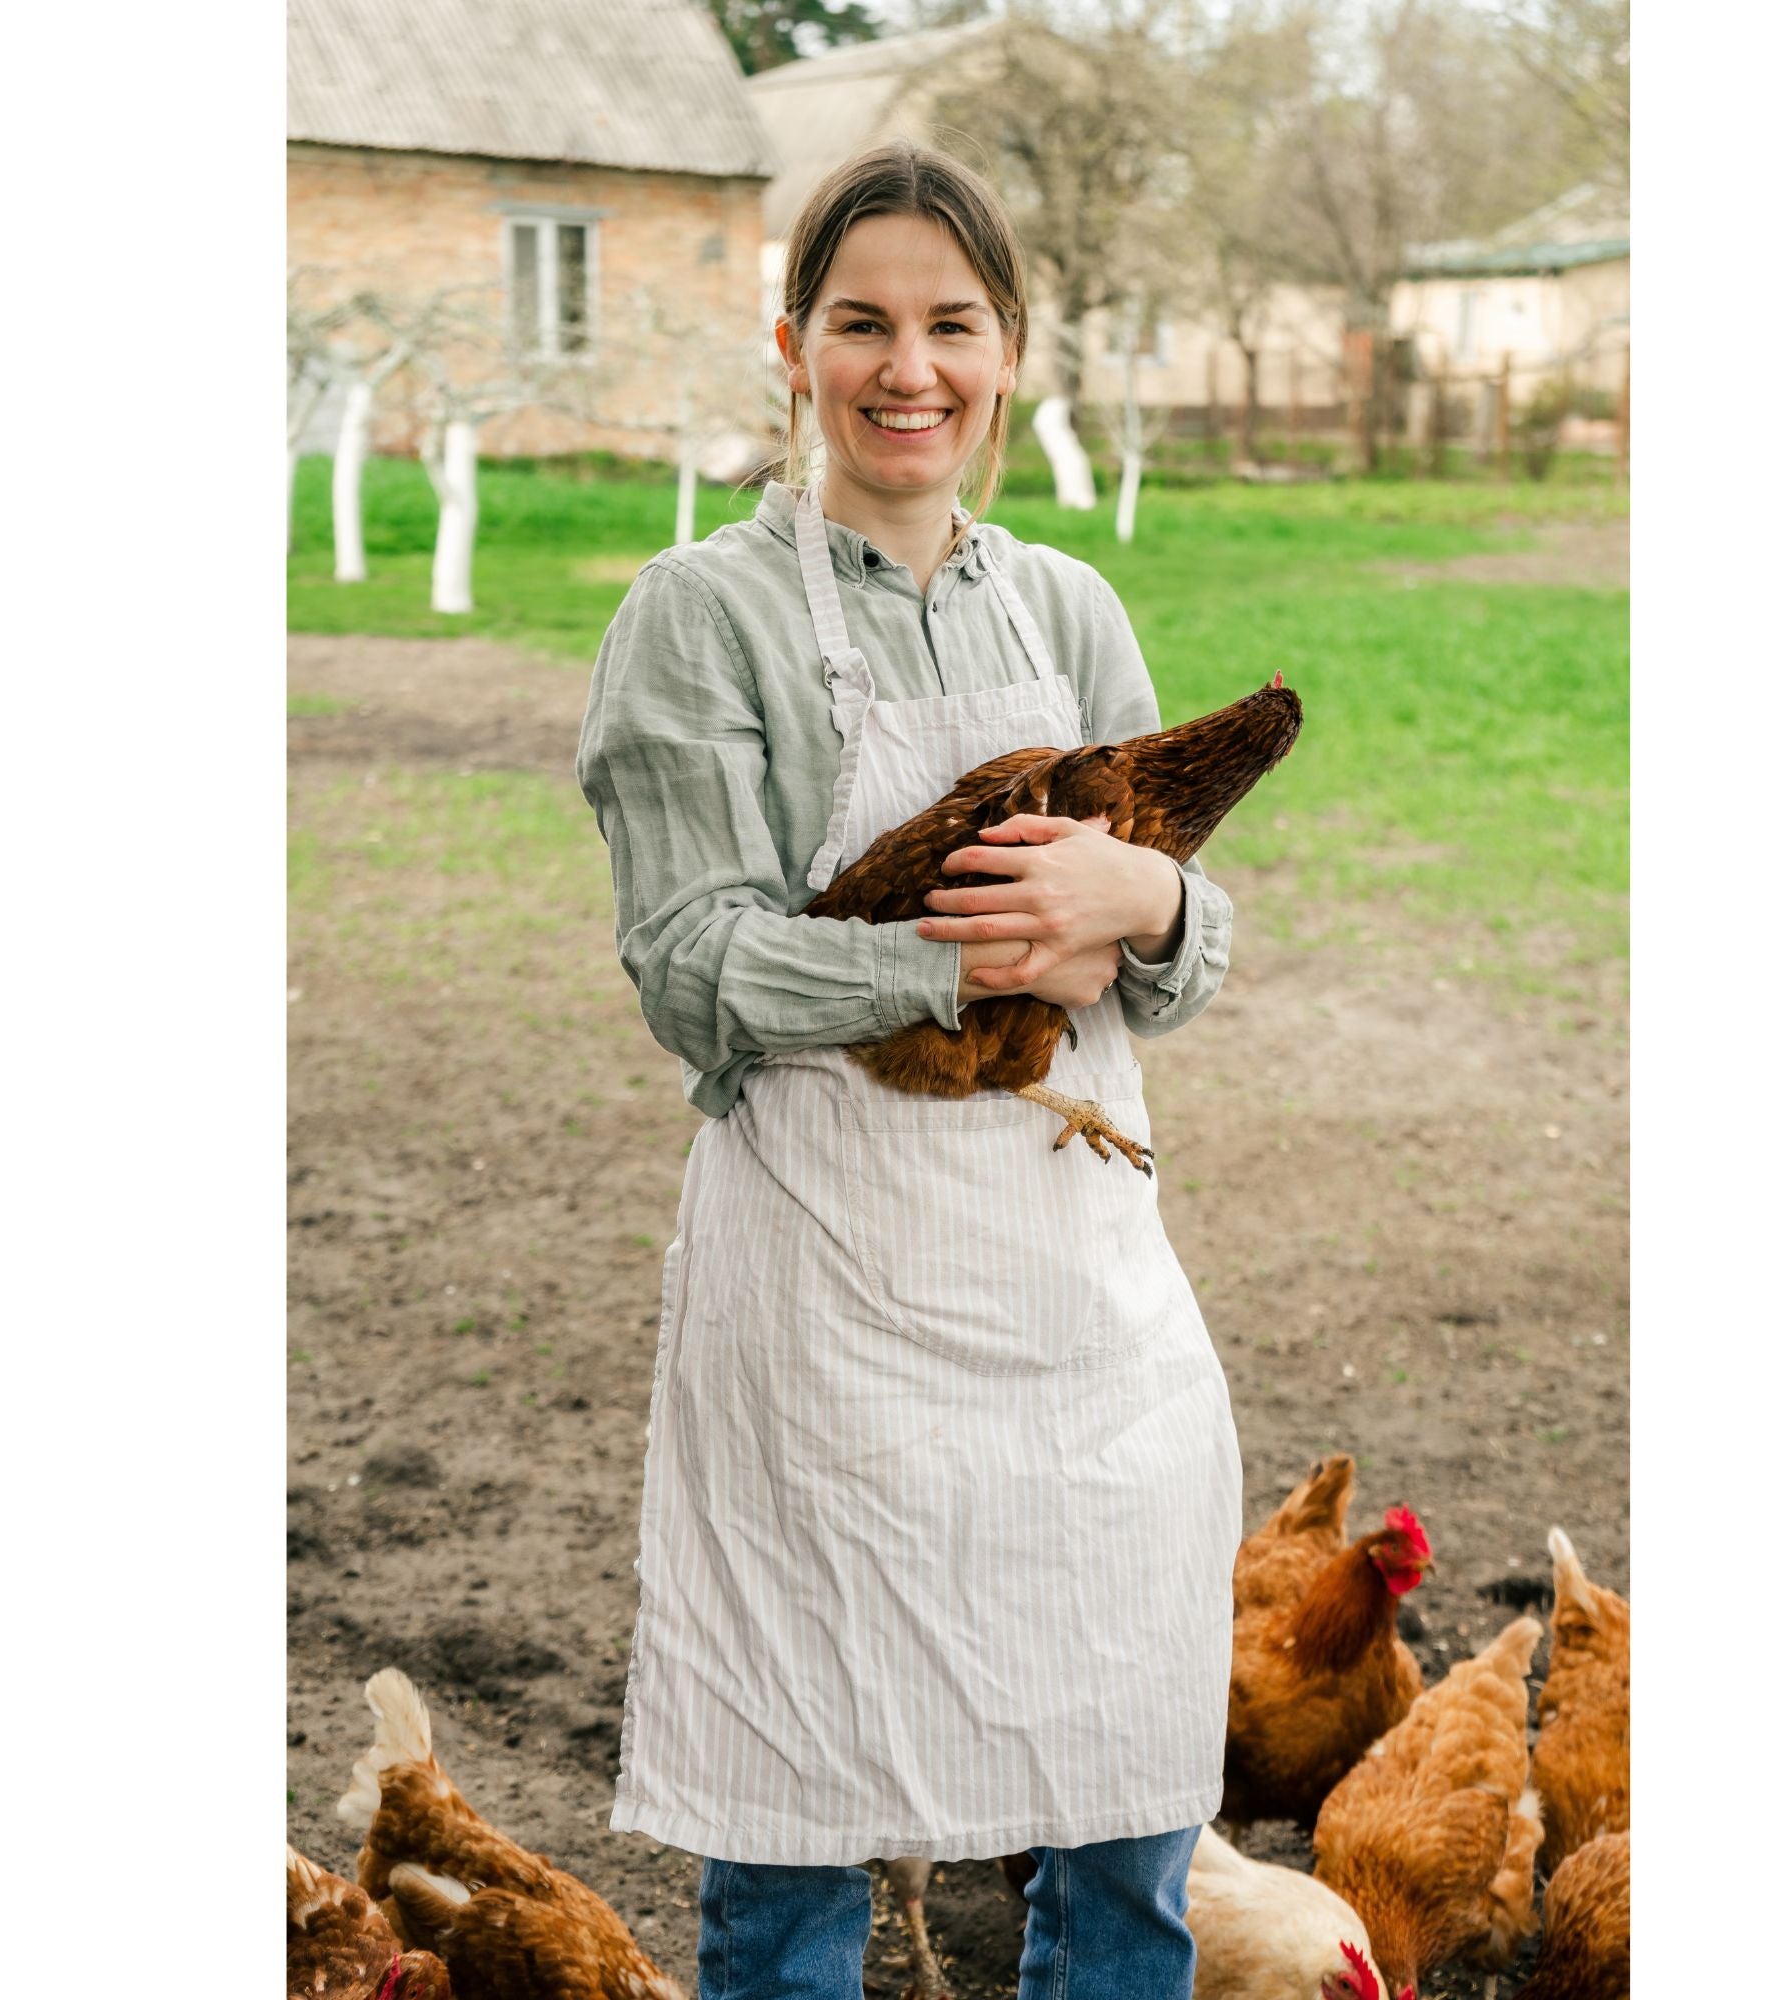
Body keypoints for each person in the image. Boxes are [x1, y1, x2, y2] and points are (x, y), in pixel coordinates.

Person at [576, 142, 1244, 2000]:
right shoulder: (698, 617)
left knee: (1123, 1785)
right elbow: (691, 962)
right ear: (793, 347)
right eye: (861, 323)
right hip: (831, 1291)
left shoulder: (1074, 613)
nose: (908, 368)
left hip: (1076, 1288)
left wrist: (1153, 895)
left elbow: (1170, 986)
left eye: (952, 324)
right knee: (795, 1787)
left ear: (1009, 352)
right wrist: (970, 949)